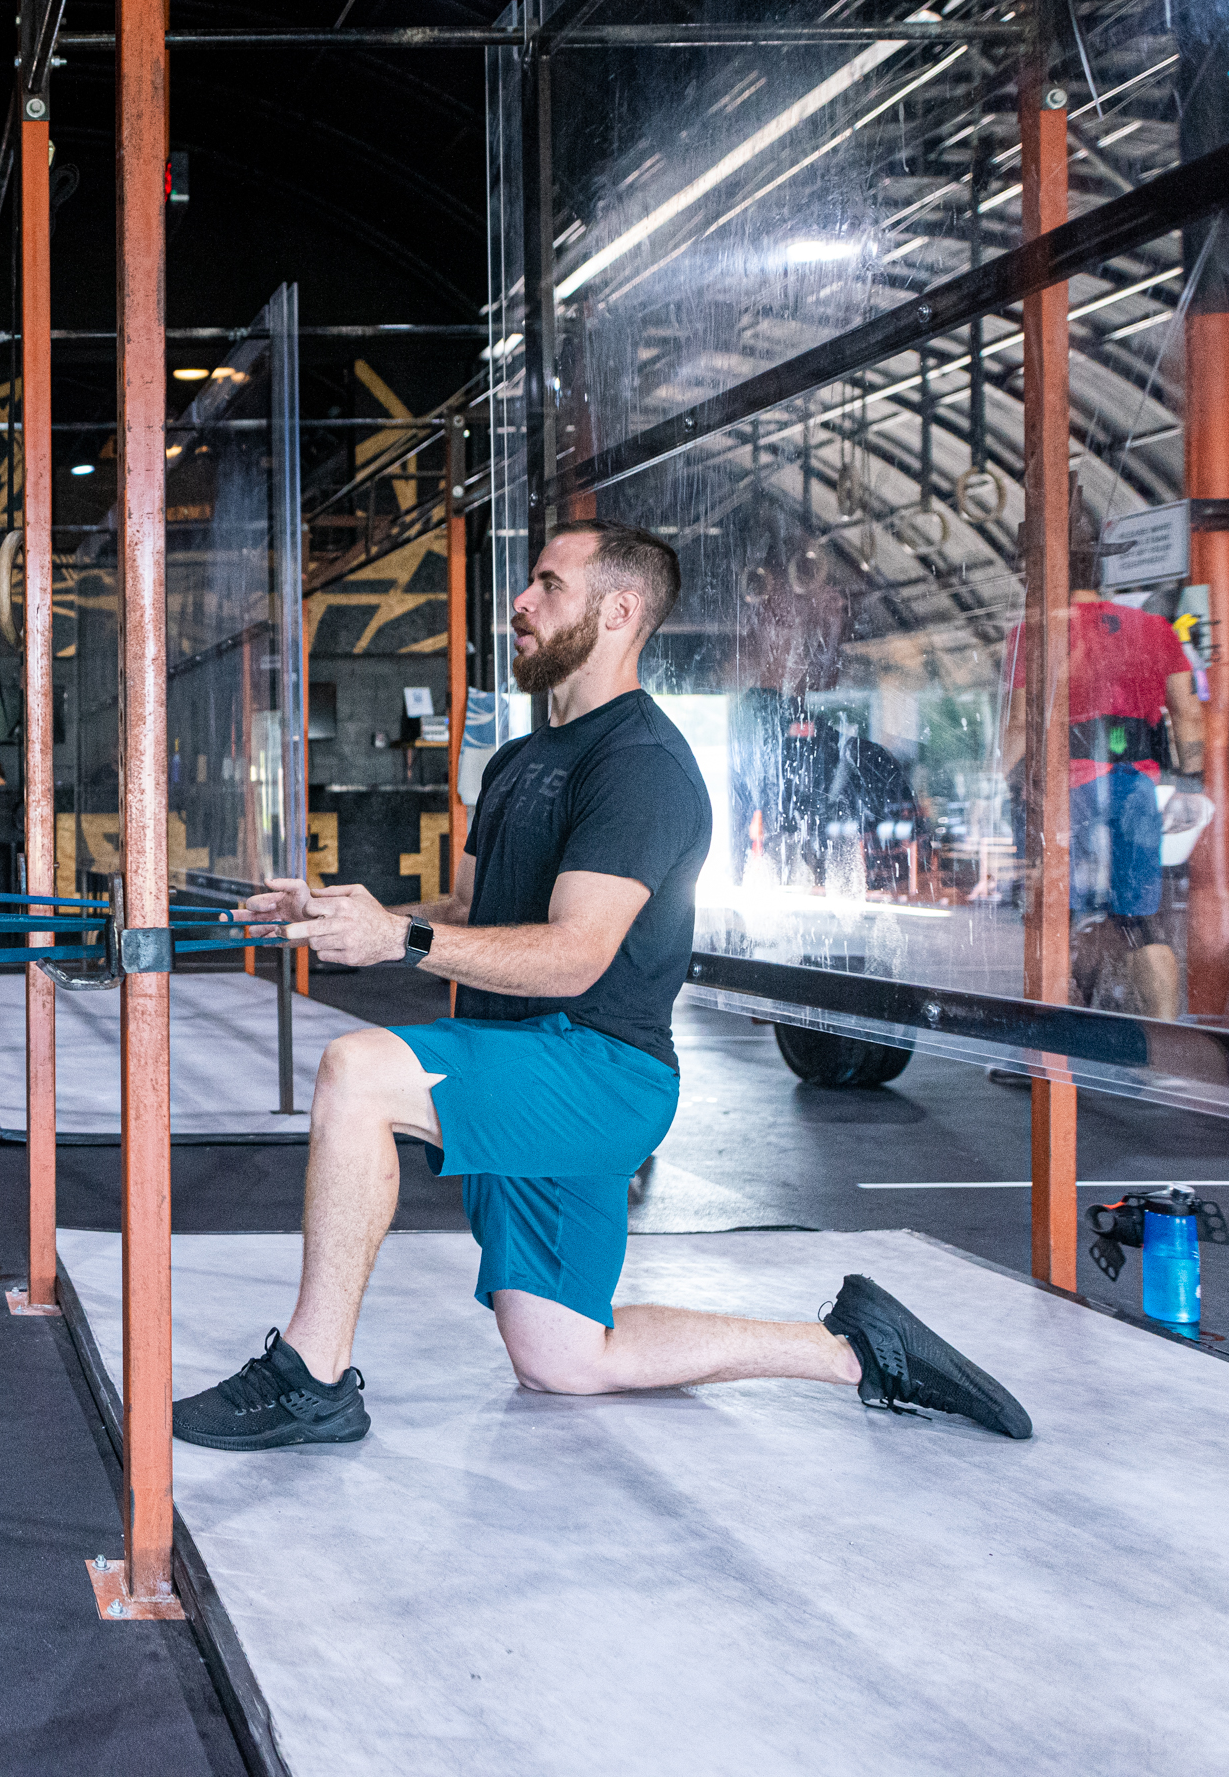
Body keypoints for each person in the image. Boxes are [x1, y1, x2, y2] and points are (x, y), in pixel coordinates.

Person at [174, 519, 1033, 1451]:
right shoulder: (519, 760)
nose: (521, 602)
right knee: (566, 1355)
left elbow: (577, 954)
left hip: (596, 1070)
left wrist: (401, 940)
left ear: (620, 611)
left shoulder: (642, 765)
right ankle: (856, 1350)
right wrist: (352, 914)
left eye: (549, 585)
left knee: (357, 1072)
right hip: (523, 1061)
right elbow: (467, 909)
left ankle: (311, 1376)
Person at [999, 516, 1205, 1020]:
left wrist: (1002, 784)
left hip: (1063, 791)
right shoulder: (1154, 628)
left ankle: (1056, 1034)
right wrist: (1190, 784)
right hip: (1135, 786)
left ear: (1042, 569)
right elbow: (1188, 714)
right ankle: (1164, 1035)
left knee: (1057, 916)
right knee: (1140, 920)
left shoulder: (1031, 633)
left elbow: (1020, 725)